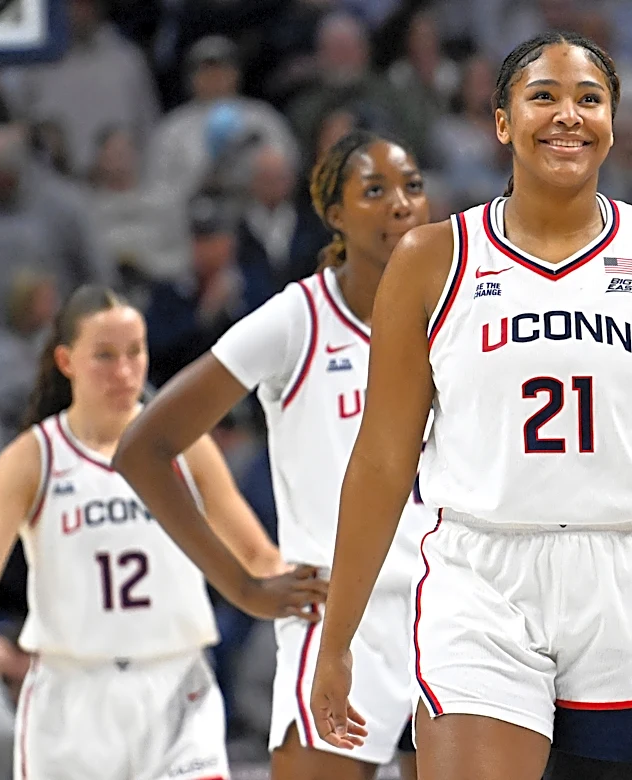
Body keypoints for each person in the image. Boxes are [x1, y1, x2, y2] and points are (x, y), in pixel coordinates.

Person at [309, 31, 632, 780]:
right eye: (543, 96)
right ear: (503, 121)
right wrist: (338, 636)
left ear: (614, 119)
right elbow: (383, 460)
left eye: (589, 98)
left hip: (631, 570)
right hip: (480, 570)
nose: (568, 115)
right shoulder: (432, 259)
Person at [113, 130, 433, 780]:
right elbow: (145, 448)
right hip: (342, 616)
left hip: (454, 610)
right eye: (374, 190)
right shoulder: (299, 319)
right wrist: (241, 587)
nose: (400, 204)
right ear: (335, 214)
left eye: (412, 186)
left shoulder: (460, 310)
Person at [0, 285, 327, 780]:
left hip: (178, 688)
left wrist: (328, 608)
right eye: (104, 357)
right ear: (67, 361)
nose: (124, 372)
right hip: (72, 699)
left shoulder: (185, 447)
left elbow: (256, 554)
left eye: (135, 353)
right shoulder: (34, 458)